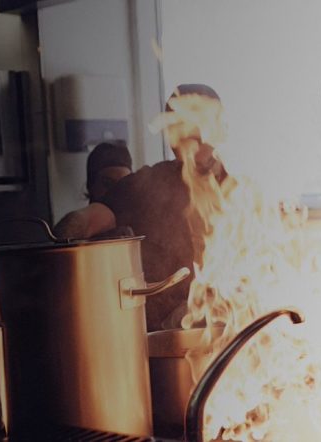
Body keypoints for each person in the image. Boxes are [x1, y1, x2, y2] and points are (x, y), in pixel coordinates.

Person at [53, 84, 227, 330]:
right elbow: (88, 219)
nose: (186, 139)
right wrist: (51, 258)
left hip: (222, 337)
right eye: (176, 127)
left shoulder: (243, 201)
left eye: (195, 126)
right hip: (155, 341)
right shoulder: (146, 185)